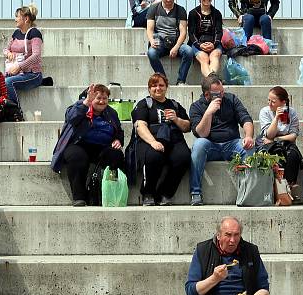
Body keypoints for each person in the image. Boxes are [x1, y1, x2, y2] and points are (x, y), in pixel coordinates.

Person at [51, 84, 125, 207]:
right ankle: (79, 196)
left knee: (116, 156)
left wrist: (118, 140)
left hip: (102, 147)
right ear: (91, 98)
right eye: (98, 98)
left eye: (105, 98)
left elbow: (119, 131)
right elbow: (72, 118)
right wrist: (86, 103)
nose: (102, 101)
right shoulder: (79, 106)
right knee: (76, 157)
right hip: (79, 144)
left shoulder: (111, 112)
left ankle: (111, 192)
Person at [188, 74, 254, 206]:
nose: (222, 95)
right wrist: (208, 113)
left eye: (223, 91)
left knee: (248, 148)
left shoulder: (231, 99)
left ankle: (248, 191)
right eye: (218, 93)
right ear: (207, 95)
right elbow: (201, 133)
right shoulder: (196, 107)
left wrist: (248, 136)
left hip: (232, 143)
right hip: (210, 145)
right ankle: (196, 192)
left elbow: (245, 119)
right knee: (199, 145)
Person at [129, 73, 191, 206]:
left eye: (161, 85)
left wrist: (176, 119)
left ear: (166, 87)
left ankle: (166, 193)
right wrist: (153, 142)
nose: (158, 88)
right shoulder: (144, 104)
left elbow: (187, 127)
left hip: (174, 139)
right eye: (154, 85)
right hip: (150, 139)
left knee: (184, 157)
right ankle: (148, 193)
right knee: (153, 156)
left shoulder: (174, 104)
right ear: (149, 89)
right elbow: (140, 126)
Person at [145, 0, 195, 86]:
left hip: (175, 41)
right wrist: (151, 40)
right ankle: (163, 79)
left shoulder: (180, 10)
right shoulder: (153, 8)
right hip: (160, 41)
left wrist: (176, 47)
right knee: (151, 53)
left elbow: (183, 32)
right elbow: (149, 29)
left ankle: (181, 80)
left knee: (189, 51)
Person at [257, 86, 303, 194]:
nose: (269, 103)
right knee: (274, 154)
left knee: (292, 154)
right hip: (268, 143)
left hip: (284, 142)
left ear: (283, 102)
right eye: (268, 100)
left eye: (273, 101)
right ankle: (275, 190)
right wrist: (276, 118)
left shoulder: (291, 113)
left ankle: (290, 186)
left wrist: (277, 139)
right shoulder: (265, 112)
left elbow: (293, 135)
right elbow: (268, 135)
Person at [3, 3, 43, 105]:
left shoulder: (34, 33)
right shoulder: (16, 33)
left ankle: (15, 110)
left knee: (8, 82)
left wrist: (19, 67)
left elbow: (36, 55)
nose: (15, 19)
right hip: (15, 72)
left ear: (26, 19)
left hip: (32, 74)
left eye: (17, 17)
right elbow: (5, 49)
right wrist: (8, 53)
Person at [188, 0, 224, 77]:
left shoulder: (217, 13)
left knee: (214, 56)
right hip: (198, 43)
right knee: (204, 58)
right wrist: (199, 45)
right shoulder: (193, 13)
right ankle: (212, 80)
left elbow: (219, 31)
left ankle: (210, 81)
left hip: (214, 42)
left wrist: (214, 44)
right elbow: (191, 33)